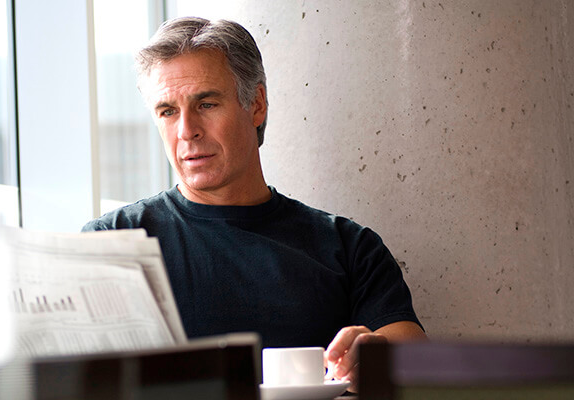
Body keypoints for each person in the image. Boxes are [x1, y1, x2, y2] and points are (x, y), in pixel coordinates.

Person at [82, 16, 426, 388]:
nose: (186, 131)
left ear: (257, 104)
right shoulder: (112, 241)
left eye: (207, 104)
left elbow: (417, 367)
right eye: (167, 111)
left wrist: (375, 362)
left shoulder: (348, 246)